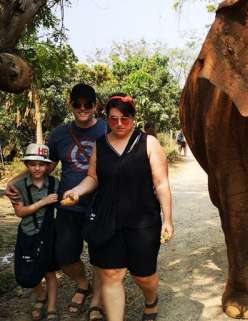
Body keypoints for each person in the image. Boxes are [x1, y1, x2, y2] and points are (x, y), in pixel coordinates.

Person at [62, 94, 174, 321]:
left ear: (133, 118)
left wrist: (168, 219)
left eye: (125, 118)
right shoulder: (100, 145)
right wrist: (77, 191)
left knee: (144, 276)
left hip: (143, 221)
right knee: (111, 274)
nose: (120, 124)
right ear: (107, 119)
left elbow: (161, 183)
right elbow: (93, 178)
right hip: (107, 219)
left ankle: (151, 301)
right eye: (113, 119)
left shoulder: (148, 143)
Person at [6, 83, 106, 321]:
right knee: (65, 256)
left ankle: (96, 301)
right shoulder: (60, 134)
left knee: (101, 257)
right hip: (68, 206)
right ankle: (83, 284)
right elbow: (43, 166)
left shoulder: (106, 129)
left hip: (101, 205)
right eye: (77, 104)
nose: (83, 108)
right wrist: (15, 181)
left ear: (96, 106)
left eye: (88, 104)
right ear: (70, 104)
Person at [12, 143, 59, 321]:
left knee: (50, 271)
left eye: (41, 164)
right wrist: (43, 202)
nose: (37, 168)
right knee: (30, 269)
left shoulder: (55, 183)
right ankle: (41, 295)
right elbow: (20, 212)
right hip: (28, 233)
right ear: (26, 165)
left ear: (48, 166)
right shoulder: (19, 186)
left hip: (49, 234)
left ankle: (52, 306)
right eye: (32, 164)